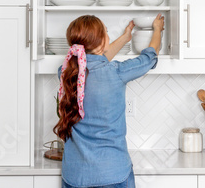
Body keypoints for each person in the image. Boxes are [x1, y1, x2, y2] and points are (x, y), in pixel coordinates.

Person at [54, 14, 165, 188]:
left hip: (75, 177)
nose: (108, 36)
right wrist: (157, 29)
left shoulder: (65, 73)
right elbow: (149, 58)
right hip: (113, 174)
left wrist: (125, 37)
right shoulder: (116, 72)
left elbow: (93, 60)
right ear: (101, 42)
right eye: (106, 32)